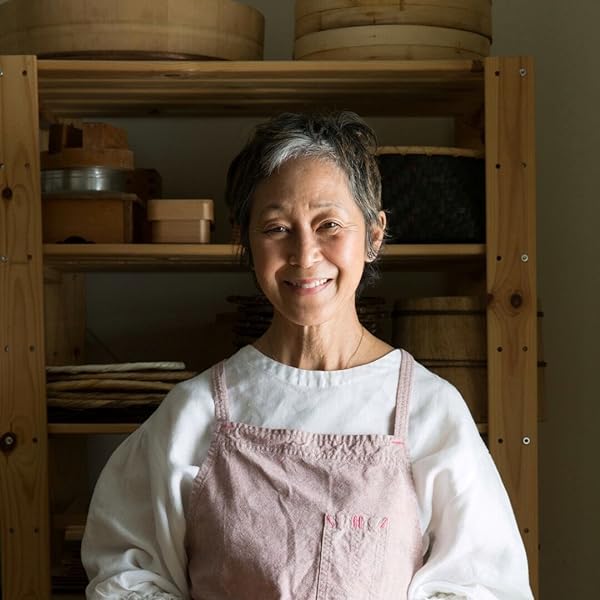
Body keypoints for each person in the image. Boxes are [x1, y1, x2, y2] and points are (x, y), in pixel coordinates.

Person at [82, 112, 534, 599]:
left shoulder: (428, 410)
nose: (304, 254)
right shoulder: (195, 412)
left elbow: (485, 585)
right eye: (276, 227)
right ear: (245, 239)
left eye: (329, 224)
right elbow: (128, 576)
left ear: (374, 235)